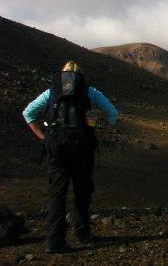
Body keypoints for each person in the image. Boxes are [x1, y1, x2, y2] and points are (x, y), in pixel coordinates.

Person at [22, 61, 118, 253]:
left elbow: (28, 113)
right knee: (82, 192)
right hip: (82, 149)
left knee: (57, 194)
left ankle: (54, 242)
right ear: (80, 76)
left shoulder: (51, 92)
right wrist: (99, 137)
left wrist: (44, 137)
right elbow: (113, 114)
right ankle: (82, 234)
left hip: (56, 149)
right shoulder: (90, 92)